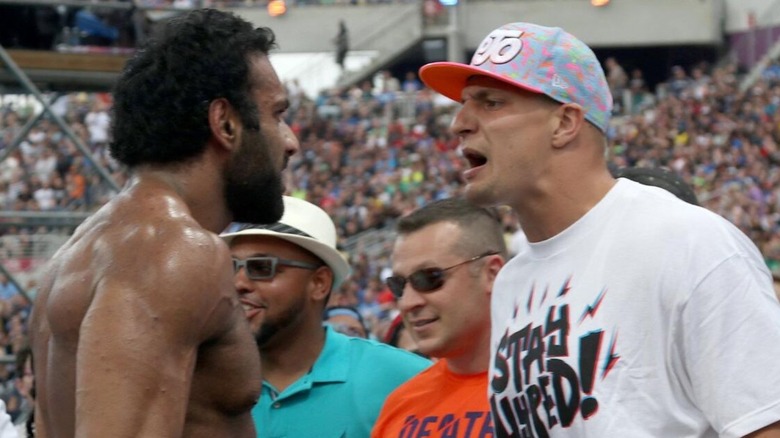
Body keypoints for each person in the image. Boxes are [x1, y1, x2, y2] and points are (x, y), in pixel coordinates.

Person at [419, 22, 780, 437]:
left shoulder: (686, 241)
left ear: (565, 123)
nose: (459, 123)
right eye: (464, 103)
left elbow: (765, 423)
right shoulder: (512, 283)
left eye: (491, 103)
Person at [29, 9, 300, 437]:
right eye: (278, 115)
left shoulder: (76, 255)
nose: (290, 141)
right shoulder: (174, 251)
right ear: (225, 123)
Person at [221, 196, 431, 438]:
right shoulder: (205, 382)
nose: (239, 283)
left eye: (261, 268)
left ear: (319, 283)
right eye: (232, 267)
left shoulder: (402, 378)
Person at [372, 197, 507, 437]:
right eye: (399, 285)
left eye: (430, 278)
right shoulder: (399, 405)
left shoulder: (555, 390)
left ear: (492, 274)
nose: (408, 302)